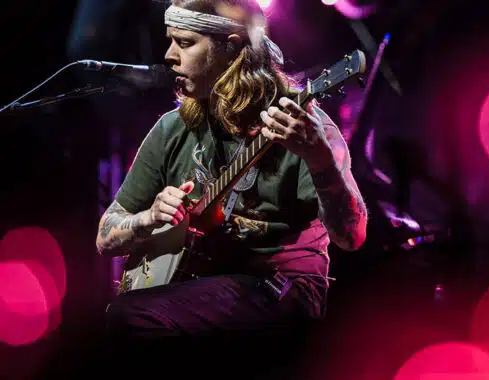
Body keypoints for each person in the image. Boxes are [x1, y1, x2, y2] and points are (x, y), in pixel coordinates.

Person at [93, 0, 367, 374]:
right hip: (202, 284)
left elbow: (351, 236)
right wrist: (148, 218)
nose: (168, 56)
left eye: (185, 43)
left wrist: (319, 158)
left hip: (279, 289)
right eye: (170, 41)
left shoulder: (302, 126)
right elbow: (105, 237)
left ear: (231, 47)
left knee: (130, 318)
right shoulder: (172, 129)